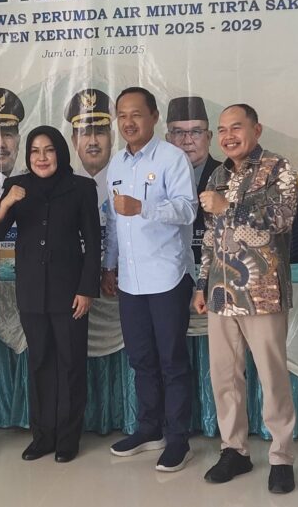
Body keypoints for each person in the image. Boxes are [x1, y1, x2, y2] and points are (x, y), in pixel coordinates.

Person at [194, 103, 298, 494]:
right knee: (224, 377)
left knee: (272, 377)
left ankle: (281, 456)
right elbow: (209, 236)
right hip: (221, 295)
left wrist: (230, 208)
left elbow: (282, 219)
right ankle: (234, 450)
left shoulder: (277, 167)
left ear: (257, 129)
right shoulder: (218, 174)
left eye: (236, 127)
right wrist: (202, 284)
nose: (228, 136)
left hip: (262, 293)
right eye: (222, 130)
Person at [0, 126, 100, 463]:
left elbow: (93, 242)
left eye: (48, 150)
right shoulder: (16, 186)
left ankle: (67, 438)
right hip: (32, 291)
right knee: (39, 363)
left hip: (70, 293)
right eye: (35, 151)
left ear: (60, 153)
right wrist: (7, 202)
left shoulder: (81, 187)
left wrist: (86, 289)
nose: (41, 157)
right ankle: (42, 436)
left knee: (70, 364)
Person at [102, 87, 197, 472]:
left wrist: (144, 207)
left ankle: (178, 440)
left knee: (172, 361)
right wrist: (109, 265)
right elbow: (113, 223)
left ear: (154, 117)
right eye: (122, 115)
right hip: (130, 280)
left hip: (168, 276)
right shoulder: (116, 164)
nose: (128, 122)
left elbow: (188, 210)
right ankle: (149, 429)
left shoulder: (173, 158)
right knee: (141, 359)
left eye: (136, 114)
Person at [166, 96, 221, 267]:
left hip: (218, 271)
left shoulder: (228, 176)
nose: (188, 140)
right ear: (168, 139)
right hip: (169, 272)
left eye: (196, 132)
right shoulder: (154, 179)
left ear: (209, 137)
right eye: (178, 132)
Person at [64, 88, 114, 206]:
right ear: (74, 141)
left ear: (112, 138)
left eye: (100, 132)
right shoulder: (64, 187)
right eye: (85, 133)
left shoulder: (127, 181)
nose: (93, 142)